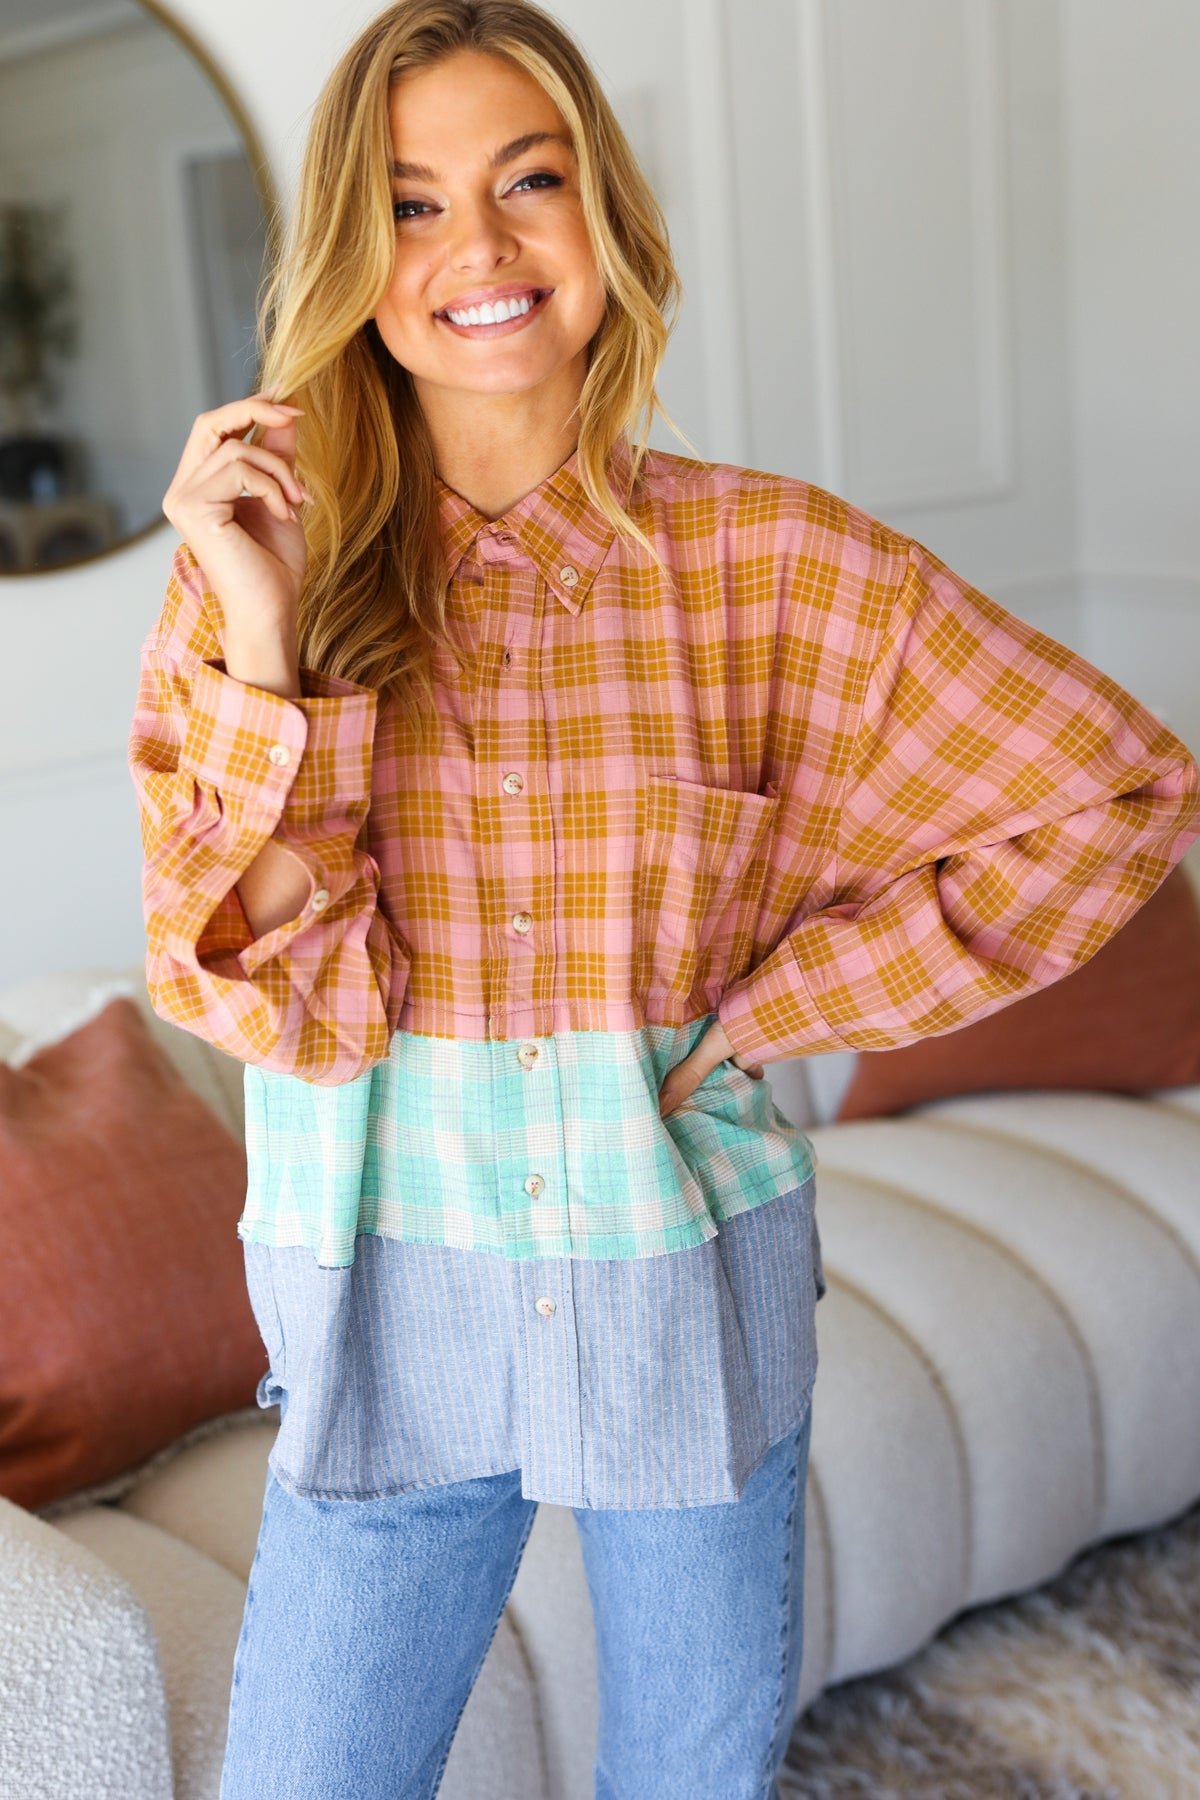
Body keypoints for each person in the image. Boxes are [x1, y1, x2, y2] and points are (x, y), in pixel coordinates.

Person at [128, 2, 1200, 1795]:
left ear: (606, 214)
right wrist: (264, 640)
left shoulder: (776, 561)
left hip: (682, 1280)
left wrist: (780, 1012)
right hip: (390, 1293)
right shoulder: (265, 566)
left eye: (526, 178)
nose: (476, 246)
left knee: (696, 1780)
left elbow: (1120, 794)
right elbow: (251, 997)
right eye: (407, 204)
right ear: (346, 254)